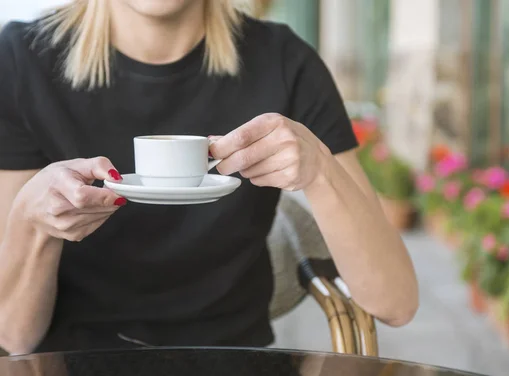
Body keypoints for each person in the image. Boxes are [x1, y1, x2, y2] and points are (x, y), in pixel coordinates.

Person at [0, 0, 418, 355]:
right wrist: (33, 223)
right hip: (68, 372)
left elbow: (395, 302)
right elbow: (14, 335)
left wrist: (320, 169)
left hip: (237, 369)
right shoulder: (21, 61)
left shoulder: (285, 62)